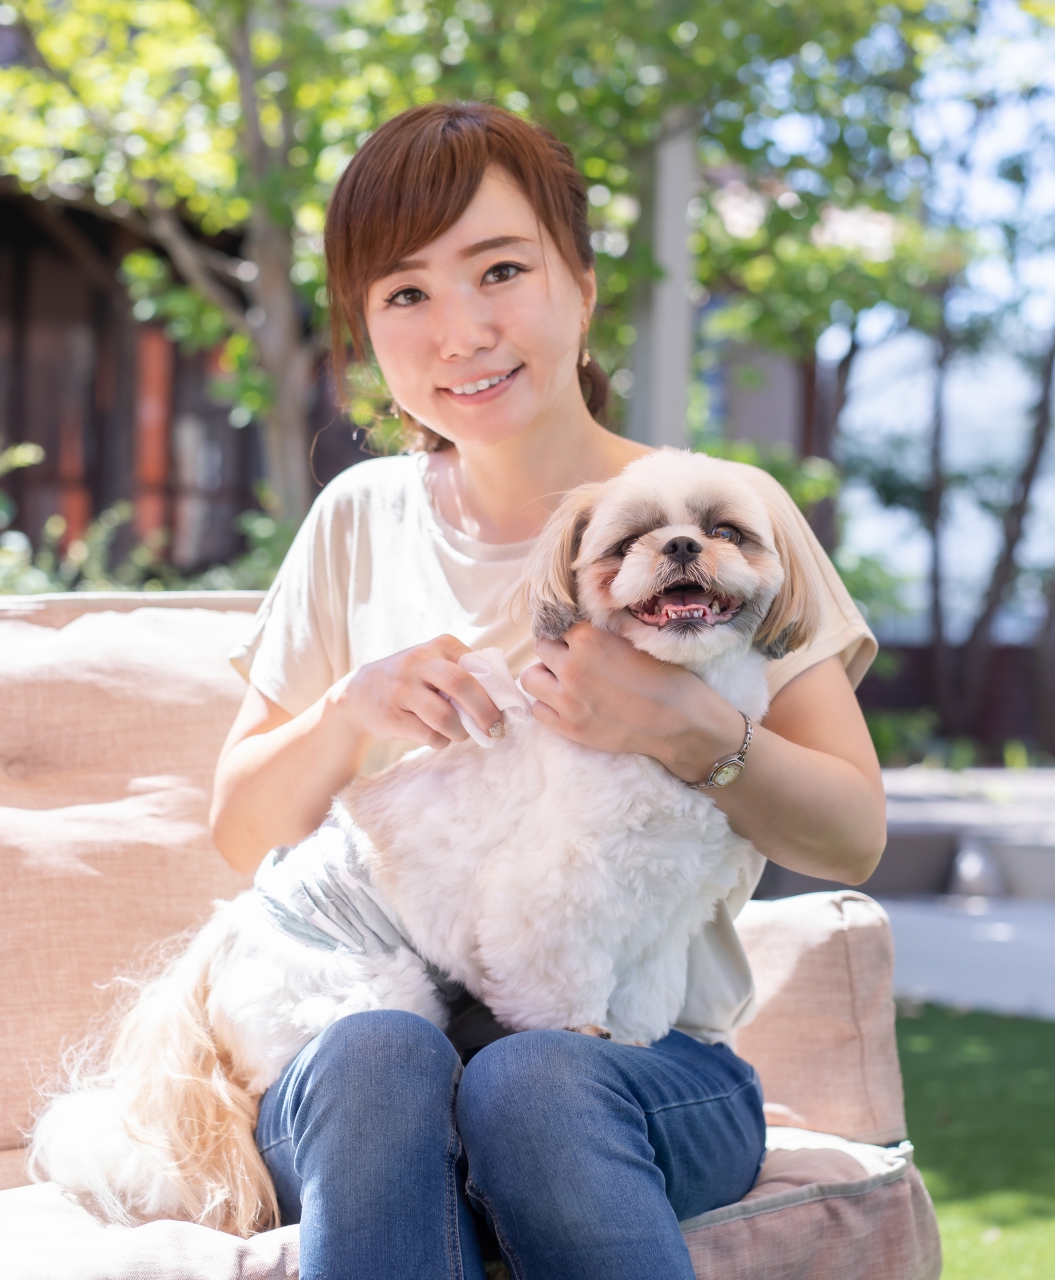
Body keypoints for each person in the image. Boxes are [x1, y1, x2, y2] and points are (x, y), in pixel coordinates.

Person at [210, 101, 887, 1280]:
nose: (461, 330)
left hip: (643, 1063)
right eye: (405, 293)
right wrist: (350, 709)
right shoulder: (355, 521)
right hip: (371, 1066)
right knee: (381, 1055)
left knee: (531, 1078)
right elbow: (240, 827)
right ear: (366, 332)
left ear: (580, 284)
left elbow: (853, 833)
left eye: (501, 270)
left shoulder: (721, 518)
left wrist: (696, 732)